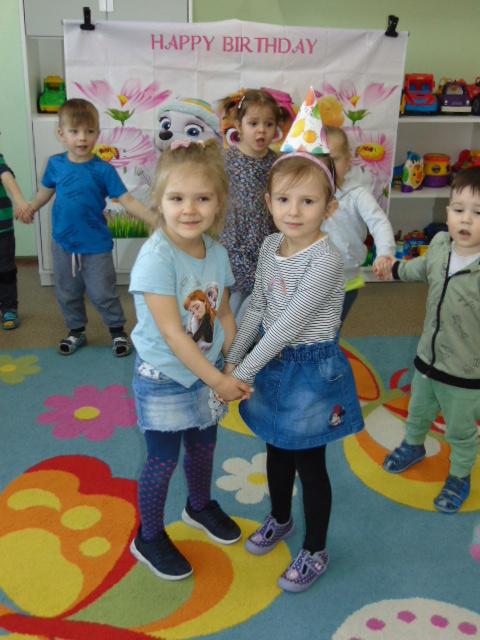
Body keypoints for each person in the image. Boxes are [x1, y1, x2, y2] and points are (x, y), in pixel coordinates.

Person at [225, 151, 364, 593]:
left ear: (330, 207)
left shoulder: (326, 260)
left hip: (309, 373)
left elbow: (287, 325)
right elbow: (258, 306)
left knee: (309, 462)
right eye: (284, 199)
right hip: (271, 363)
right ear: (268, 201)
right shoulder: (270, 246)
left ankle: (316, 549)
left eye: (308, 201)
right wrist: (232, 360)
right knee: (276, 447)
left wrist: (243, 373)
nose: (294, 211)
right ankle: (281, 518)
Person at [128, 139, 253, 581]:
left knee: (204, 447)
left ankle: (199, 506)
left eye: (202, 198)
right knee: (162, 461)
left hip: (206, 373)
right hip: (163, 377)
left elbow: (224, 313)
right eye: (177, 198)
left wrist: (234, 363)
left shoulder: (216, 253)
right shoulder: (156, 257)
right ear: (159, 202)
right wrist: (219, 380)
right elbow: (173, 334)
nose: (189, 209)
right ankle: (149, 537)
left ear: (219, 203)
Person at [16, 98, 155, 356]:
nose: (82, 138)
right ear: (61, 134)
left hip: (96, 246)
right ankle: (76, 330)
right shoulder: (55, 164)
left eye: (89, 131)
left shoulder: (103, 170)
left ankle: (117, 332)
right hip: (63, 244)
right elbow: (44, 193)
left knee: (102, 293)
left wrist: (155, 219)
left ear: (97, 134)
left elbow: (127, 201)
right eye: (74, 131)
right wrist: (31, 207)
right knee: (67, 292)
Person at [381, 167, 480, 514]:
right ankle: (414, 444)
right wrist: (395, 268)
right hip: (427, 358)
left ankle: (460, 475)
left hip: (465, 373)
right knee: (418, 410)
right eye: (458, 209)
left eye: (478, 212)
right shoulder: (439, 246)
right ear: (447, 211)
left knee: (460, 431)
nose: (465, 219)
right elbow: (419, 269)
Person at [219, 89, 287, 321]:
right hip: (234, 243)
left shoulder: (278, 163)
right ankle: (232, 337)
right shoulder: (226, 159)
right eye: (253, 123)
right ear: (238, 125)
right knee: (239, 294)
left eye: (269, 124)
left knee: (257, 296)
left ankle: (240, 337)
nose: (261, 130)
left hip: (265, 242)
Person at [321, 126, 396, 321]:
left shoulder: (357, 194)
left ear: (348, 160)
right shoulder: (304, 194)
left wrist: (385, 253)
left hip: (346, 279)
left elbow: (379, 223)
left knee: (332, 329)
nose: (327, 166)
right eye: (320, 159)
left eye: (333, 159)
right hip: (310, 278)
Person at [0, 152, 29, 330]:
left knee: (6, 270)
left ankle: (9, 308)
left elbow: (6, 177)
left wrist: (20, 202)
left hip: (2, 229)